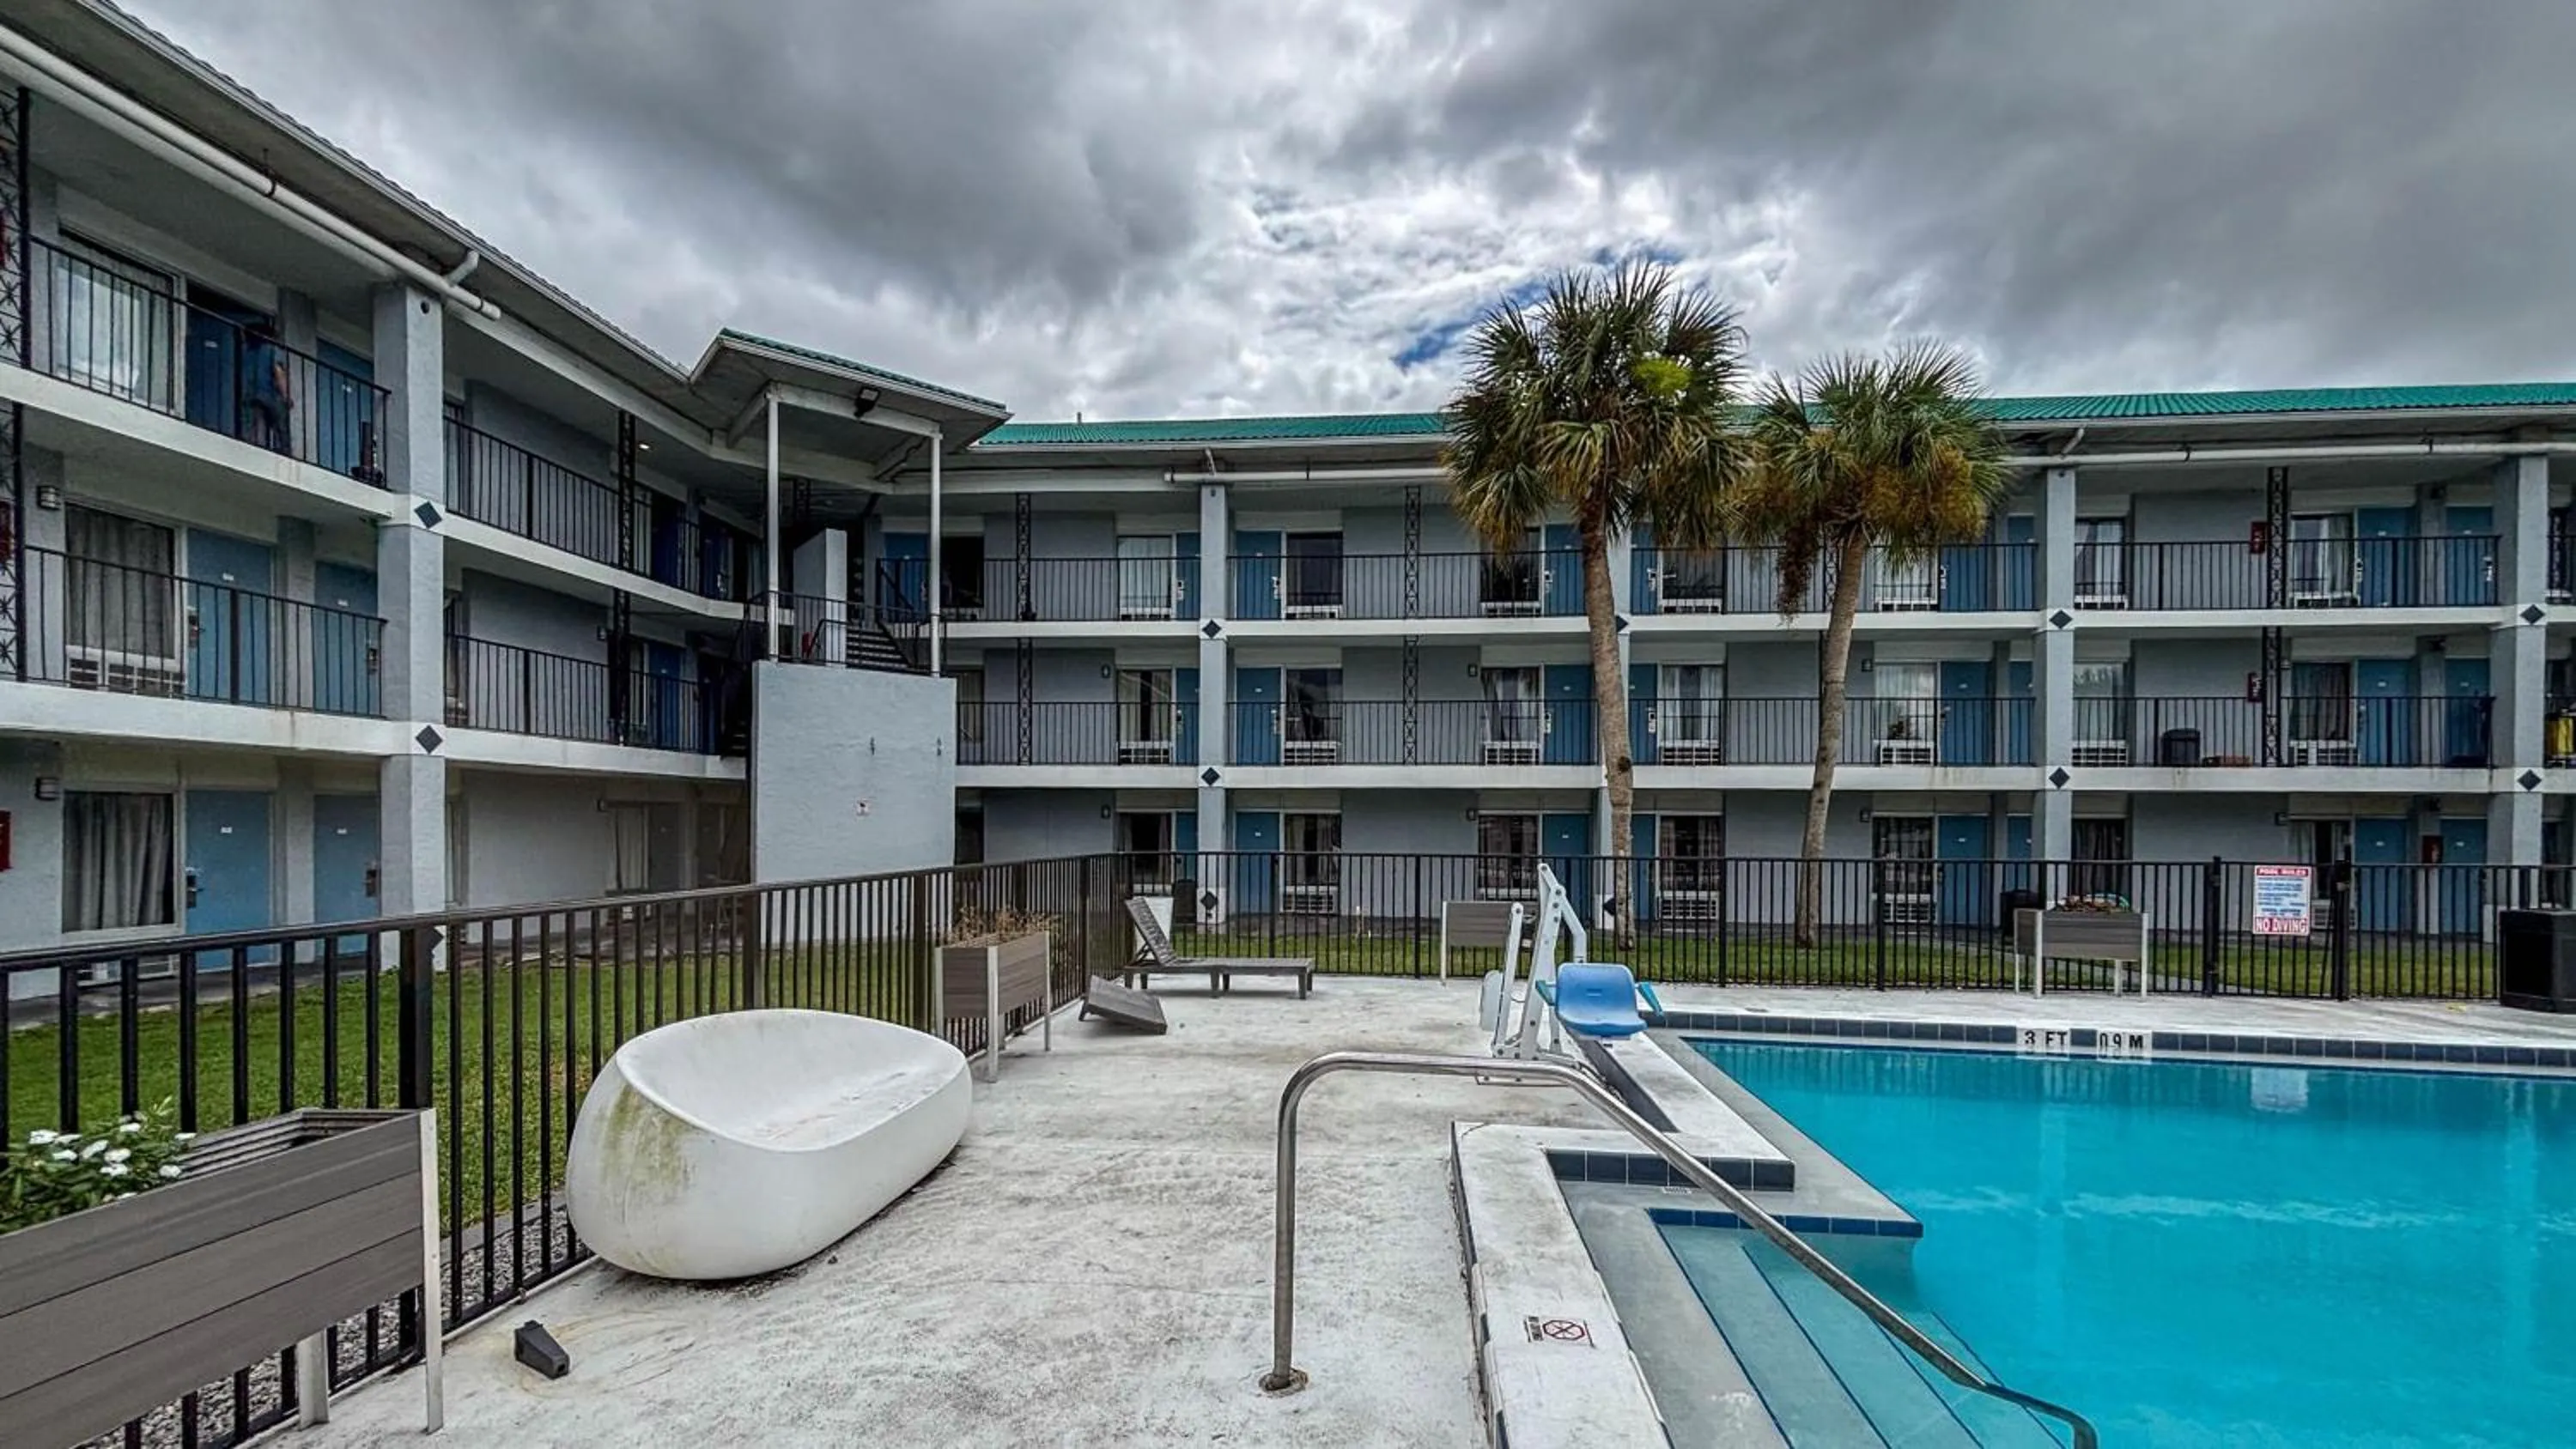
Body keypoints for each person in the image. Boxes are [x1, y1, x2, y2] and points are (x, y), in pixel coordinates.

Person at [243, 321, 293, 454]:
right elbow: (278, 373)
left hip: (251, 394)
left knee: (253, 423)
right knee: (280, 426)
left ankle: (251, 445)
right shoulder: (272, 350)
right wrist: (286, 396)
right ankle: (284, 451)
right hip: (270, 393)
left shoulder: (248, 352)